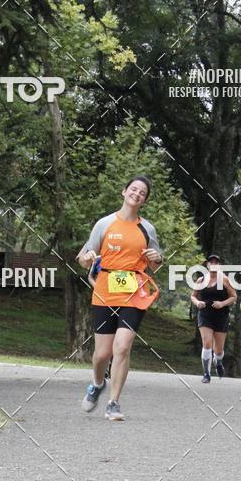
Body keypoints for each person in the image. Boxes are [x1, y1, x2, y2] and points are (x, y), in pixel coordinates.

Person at [77, 176, 162, 420]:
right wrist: (88, 259)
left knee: (122, 347)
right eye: (133, 189)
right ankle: (97, 384)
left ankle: (113, 403)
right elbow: (82, 258)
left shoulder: (147, 229)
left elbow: (155, 263)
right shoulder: (104, 224)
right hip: (105, 292)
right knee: (102, 354)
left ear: (144, 200)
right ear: (124, 191)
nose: (137, 194)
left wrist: (157, 258)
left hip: (134, 293)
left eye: (142, 192)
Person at [190, 254, 237, 383]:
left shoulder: (225, 280)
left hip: (221, 316)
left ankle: (218, 362)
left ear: (220, 265)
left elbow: (234, 297)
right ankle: (206, 374)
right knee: (207, 343)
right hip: (205, 314)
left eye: (216, 262)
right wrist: (197, 302)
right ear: (207, 265)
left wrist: (222, 304)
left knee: (219, 350)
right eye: (211, 262)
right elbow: (193, 296)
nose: (214, 264)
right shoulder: (201, 280)